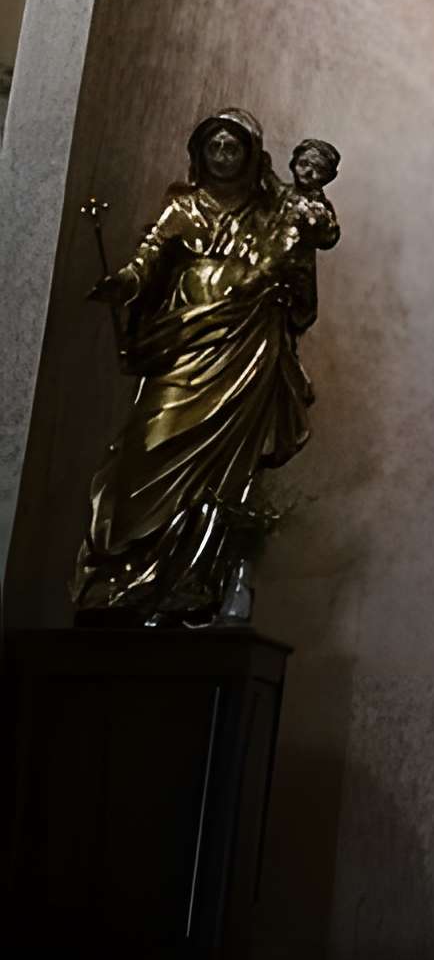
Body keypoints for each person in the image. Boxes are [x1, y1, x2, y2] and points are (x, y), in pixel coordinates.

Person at [73, 110, 336, 622]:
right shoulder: (183, 209)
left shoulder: (275, 206)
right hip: (185, 342)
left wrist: (312, 204)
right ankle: (124, 572)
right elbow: (145, 262)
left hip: (245, 348)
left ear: (250, 154)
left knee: (225, 469)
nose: (221, 156)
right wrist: (121, 285)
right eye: (213, 147)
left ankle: (194, 577)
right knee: (146, 444)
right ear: (199, 154)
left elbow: (315, 232)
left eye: (231, 147)